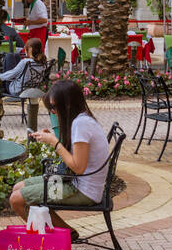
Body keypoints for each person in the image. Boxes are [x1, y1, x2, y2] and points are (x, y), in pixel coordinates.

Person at [10, 79, 109, 239]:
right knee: (18, 187)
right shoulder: (82, 119)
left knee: (16, 200)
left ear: (68, 105)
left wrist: (54, 143)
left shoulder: (81, 125)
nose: (53, 112)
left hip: (83, 190)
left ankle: (55, 241)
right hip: (74, 182)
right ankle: (67, 234)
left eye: (55, 107)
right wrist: (53, 137)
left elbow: (78, 167)